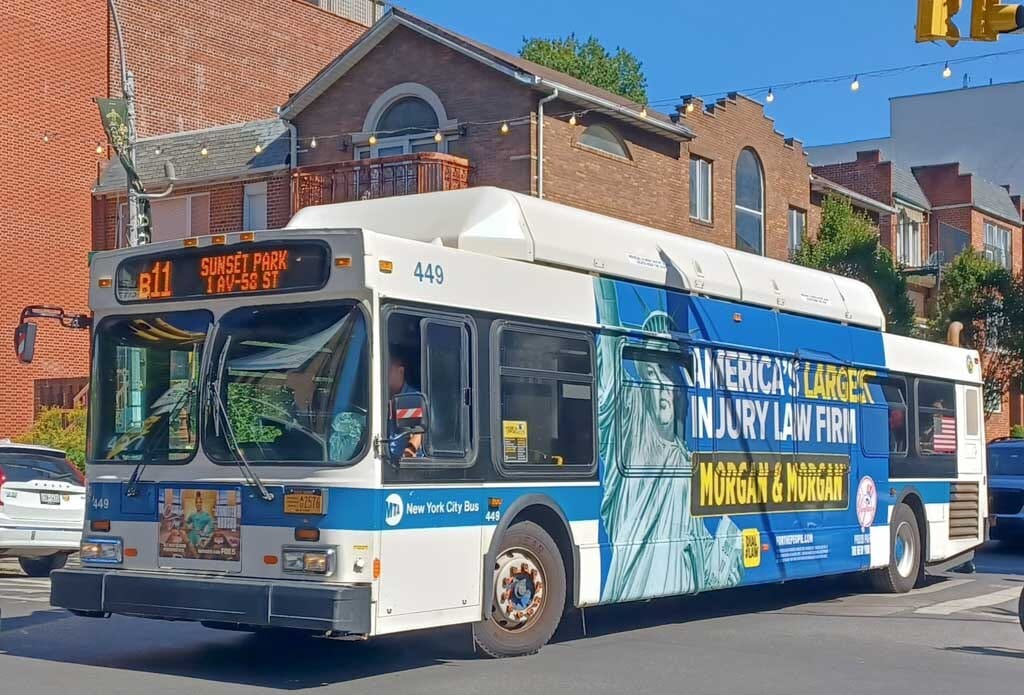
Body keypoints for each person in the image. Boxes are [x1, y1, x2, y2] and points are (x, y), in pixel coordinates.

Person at [388, 352, 423, 460]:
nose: (382, 374)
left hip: (400, 464)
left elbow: (418, 433)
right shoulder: (380, 397)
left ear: (400, 371)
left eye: (388, 369)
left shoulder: (411, 398)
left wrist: (408, 454)